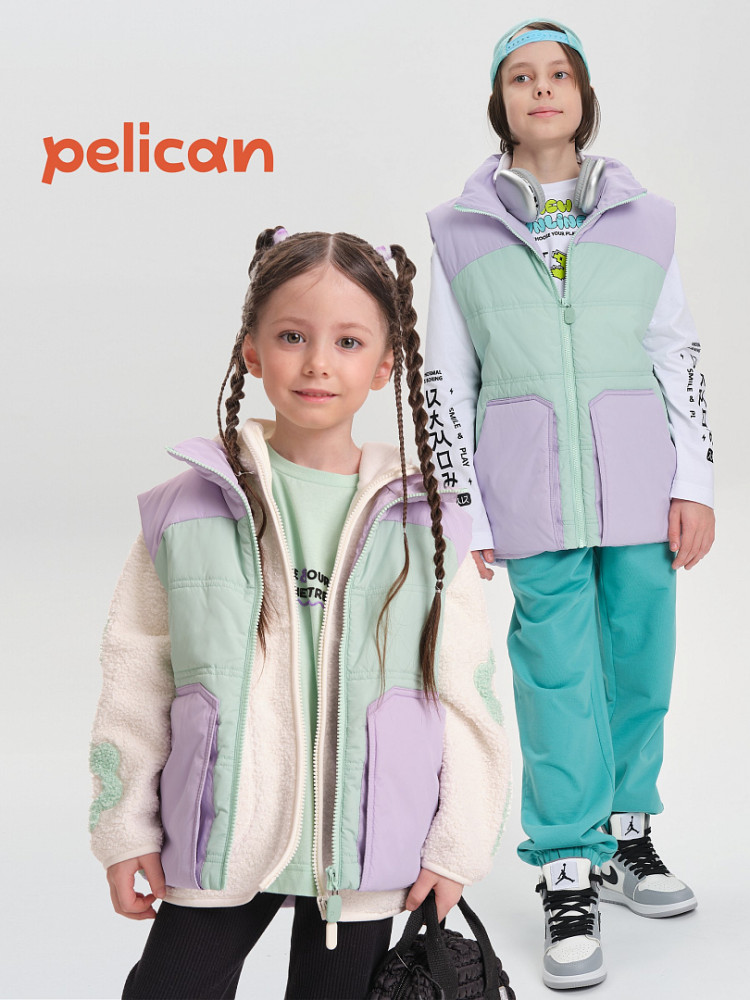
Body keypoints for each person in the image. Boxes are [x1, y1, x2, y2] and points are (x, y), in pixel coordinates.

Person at [89, 227, 510, 1000]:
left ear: (385, 364)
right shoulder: (186, 509)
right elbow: (135, 680)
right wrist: (124, 828)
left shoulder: (427, 522)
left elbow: (467, 694)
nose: (318, 362)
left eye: (348, 341)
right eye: (292, 336)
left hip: (365, 849)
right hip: (219, 832)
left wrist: (458, 844)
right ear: (251, 350)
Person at [423, 18, 714, 991]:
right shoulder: (458, 230)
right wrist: (465, 507)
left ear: (583, 95)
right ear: (499, 100)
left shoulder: (647, 220)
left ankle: (627, 836)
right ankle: (565, 866)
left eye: (558, 74)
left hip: (639, 480)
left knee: (639, 662)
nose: (541, 88)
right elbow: (445, 377)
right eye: (521, 76)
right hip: (527, 488)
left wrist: (694, 481)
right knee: (555, 676)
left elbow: (676, 353)